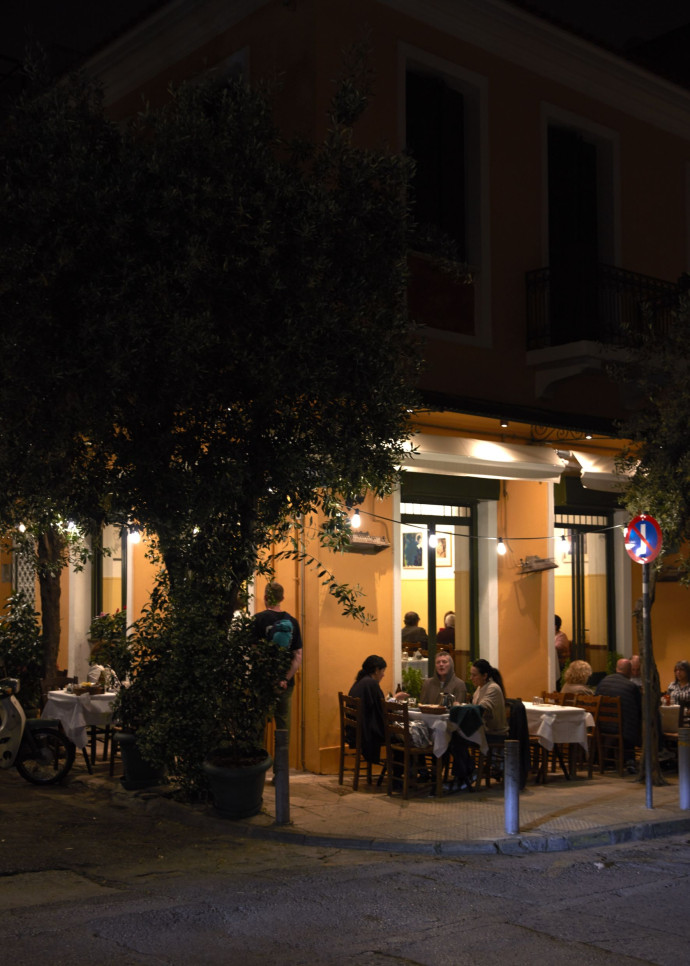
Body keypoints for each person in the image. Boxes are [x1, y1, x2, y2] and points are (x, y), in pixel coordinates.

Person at [252, 580, 303, 738]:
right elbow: (298, 655)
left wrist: (270, 677)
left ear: (266, 597)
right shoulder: (293, 622)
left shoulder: (258, 620)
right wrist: (284, 679)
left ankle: (261, 760)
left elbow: (256, 652)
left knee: (258, 724)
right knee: (283, 724)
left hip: (263, 681)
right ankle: (282, 762)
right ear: (282, 598)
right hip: (285, 684)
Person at [595, 658, 641, 768]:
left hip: (602, 726)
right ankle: (630, 759)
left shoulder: (603, 682)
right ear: (629, 671)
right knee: (636, 723)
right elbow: (638, 708)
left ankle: (609, 759)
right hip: (622, 729)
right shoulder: (631, 686)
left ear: (616, 669)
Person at [348, 655, 388, 764]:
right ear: (376, 670)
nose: (383, 675)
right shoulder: (371, 683)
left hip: (355, 732)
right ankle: (400, 772)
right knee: (404, 737)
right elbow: (382, 708)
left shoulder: (360, 682)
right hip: (367, 734)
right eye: (383, 671)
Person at [469, 658, 508, 735]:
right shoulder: (479, 688)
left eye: (474, 675)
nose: (471, 678)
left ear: (484, 676)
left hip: (494, 733)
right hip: (483, 730)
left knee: (459, 738)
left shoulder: (493, 688)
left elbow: (482, 708)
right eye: (471, 674)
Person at [554, 615, 570, 688]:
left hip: (560, 665)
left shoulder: (561, 636)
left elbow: (557, 647)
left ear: (555, 626)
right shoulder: (550, 635)